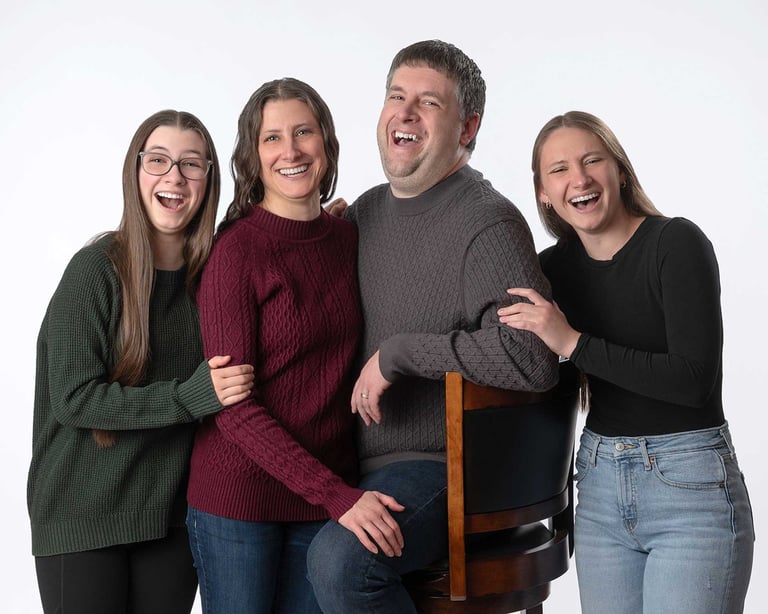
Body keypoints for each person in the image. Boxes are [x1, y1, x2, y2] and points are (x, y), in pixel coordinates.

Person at [306, 40, 559, 614]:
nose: (405, 113)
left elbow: (533, 356)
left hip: (449, 468)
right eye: (396, 96)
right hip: (356, 463)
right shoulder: (364, 213)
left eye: (429, 102)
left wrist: (402, 355)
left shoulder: (487, 223)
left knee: (343, 562)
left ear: (467, 128)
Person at [498, 110, 754, 613]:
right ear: (544, 193)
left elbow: (693, 381)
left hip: (690, 489)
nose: (579, 178)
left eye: (592, 160)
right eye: (559, 169)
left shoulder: (675, 244)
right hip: (599, 487)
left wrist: (572, 342)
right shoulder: (552, 271)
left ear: (619, 171)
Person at [185, 78, 405, 614]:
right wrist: (335, 494)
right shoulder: (236, 252)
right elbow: (235, 410)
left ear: (326, 143)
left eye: (303, 132)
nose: (291, 151)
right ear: (252, 156)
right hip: (240, 500)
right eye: (272, 138)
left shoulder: (347, 238)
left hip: (323, 498)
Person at [27, 109, 255, 614]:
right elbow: (74, 398)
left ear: (208, 180)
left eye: (191, 164)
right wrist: (187, 399)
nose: (174, 176)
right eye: (158, 160)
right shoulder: (95, 270)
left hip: (171, 519)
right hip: (82, 517)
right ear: (135, 171)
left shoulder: (213, 279)